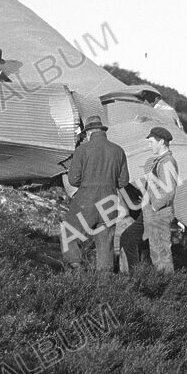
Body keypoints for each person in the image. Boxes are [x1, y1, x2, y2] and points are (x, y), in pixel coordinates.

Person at [60, 115, 129, 272]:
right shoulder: (118, 151)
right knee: (105, 245)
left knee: (68, 234)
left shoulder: (82, 150)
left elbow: (73, 179)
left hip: (86, 201)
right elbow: (124, 182)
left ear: (89, 132)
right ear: (102, 131)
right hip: (110, 202)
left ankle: (76, 270)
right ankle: (104, 285)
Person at [137, 127, 180, 273]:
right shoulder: (162, 161)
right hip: (157, 214)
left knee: (161, 254)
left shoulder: (166, 162)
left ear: (161, 141)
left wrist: (153, 207)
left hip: (159, 215)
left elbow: (169, 192)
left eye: (151, 142)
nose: (149, 146)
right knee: (157, 253)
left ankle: (169, 287)